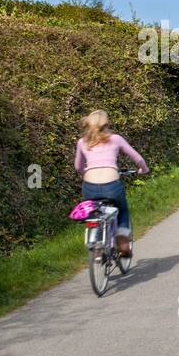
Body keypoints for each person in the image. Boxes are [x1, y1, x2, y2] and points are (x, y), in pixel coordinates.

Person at [74, 110, 148, 257]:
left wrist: (87, 174)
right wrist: (143, 169)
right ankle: (122, 240)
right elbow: (137, 158)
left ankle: (97, 243)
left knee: (96, 212)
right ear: (106, 124)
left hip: (89, 187)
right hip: (111, 186)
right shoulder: (116, 139)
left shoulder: (82, 142)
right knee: (122, 210)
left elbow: (78, 166)